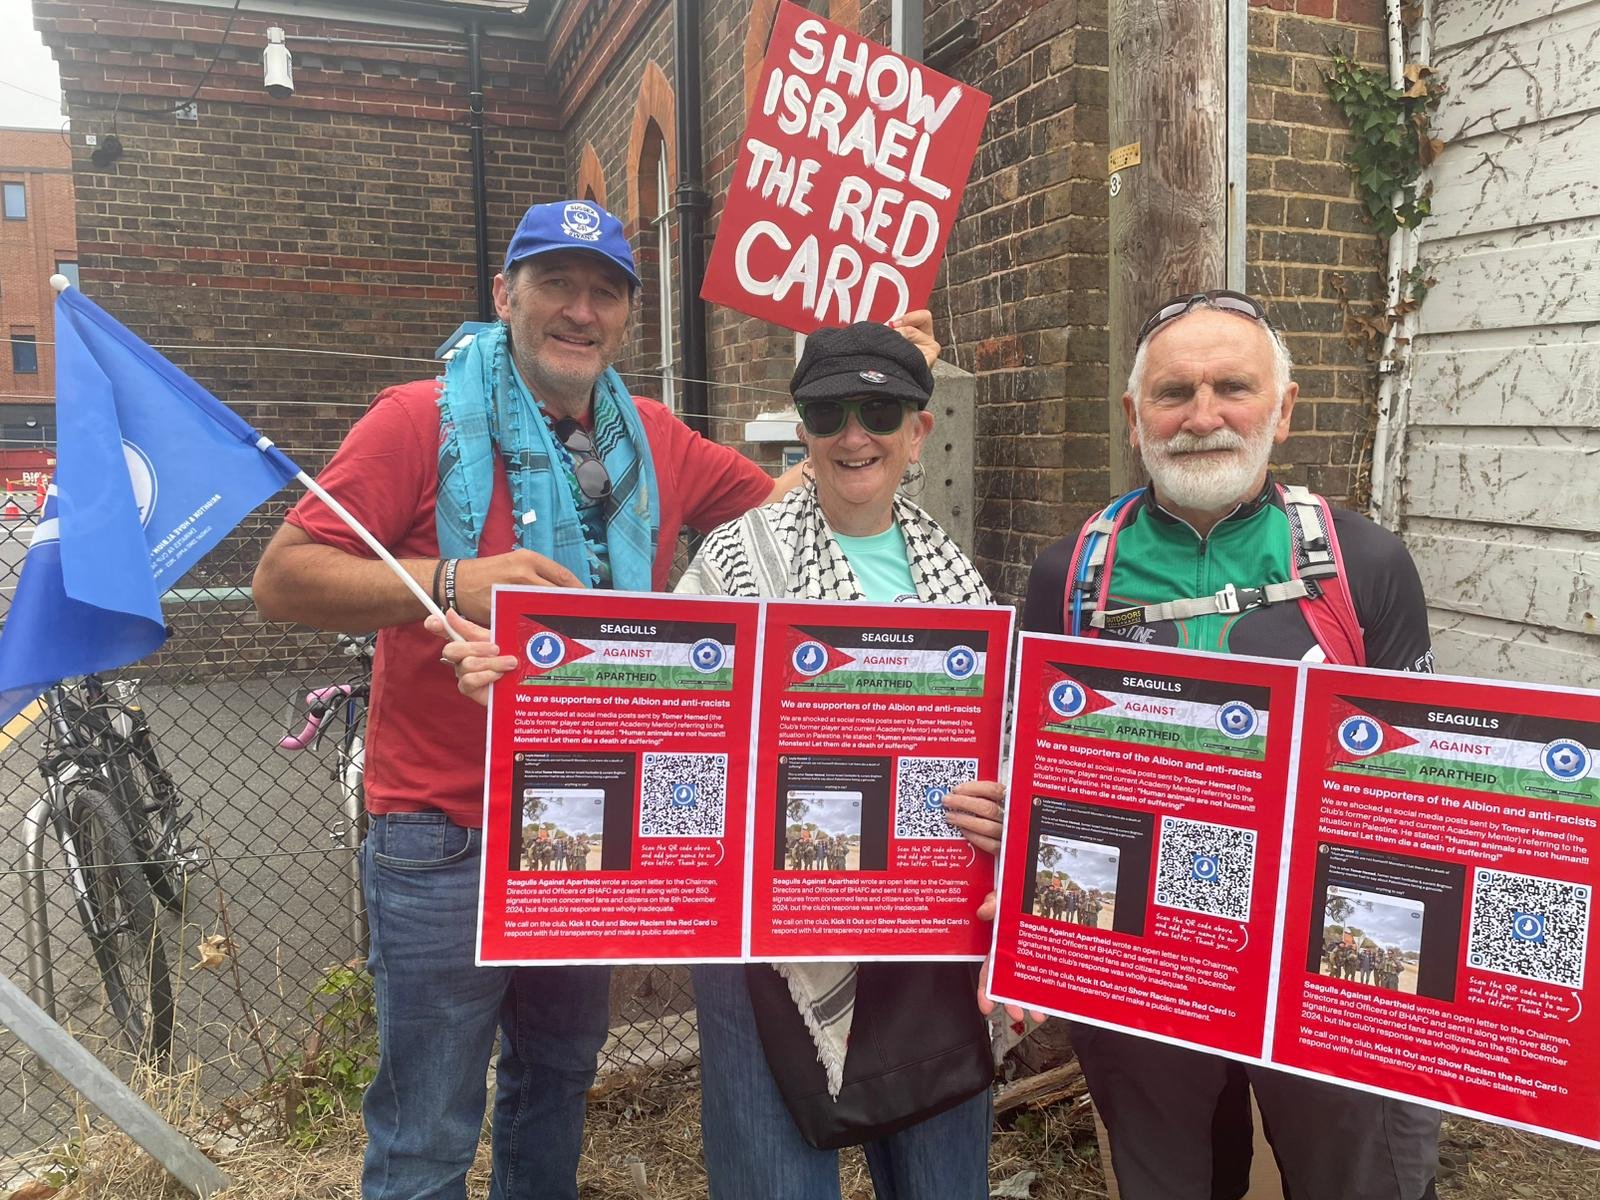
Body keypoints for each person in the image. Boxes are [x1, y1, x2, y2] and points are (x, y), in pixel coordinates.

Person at [251, 196, 938, 1200]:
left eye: (605, 292)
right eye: (556, 285)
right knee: (429, 1128)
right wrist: (455, 580)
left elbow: (796, 503)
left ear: (626, 315)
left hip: (585, 827)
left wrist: (873, 395)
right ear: (506, 296)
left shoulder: (650, 436)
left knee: (557, 1081)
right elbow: (281, 576)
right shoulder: (420, 420)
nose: (581, 310)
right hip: (445, 831)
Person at [439, 322, 1006, 1199]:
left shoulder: (959, 579)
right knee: (775, 1179)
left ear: (918, 429)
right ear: (802, 431)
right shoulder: (738, 559)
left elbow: (1003, 747)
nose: (855, 435)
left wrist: (1003, 808)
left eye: (880, 410)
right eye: (828, 413)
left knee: (941, 1178)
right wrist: (518, 694)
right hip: (764, 938)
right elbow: (661, 711)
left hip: (924, 920)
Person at [1020, 290, 1441, 1200]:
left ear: (1282, 412)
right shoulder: (1069, 576)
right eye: (1174, 393)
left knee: (1354, 1184)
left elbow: (1419, 788)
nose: (1202, 416)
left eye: (1232, 388)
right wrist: (1006, 810)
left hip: (1324, 958)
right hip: (1141, 958)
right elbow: (1034, 766)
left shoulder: (1365, 565)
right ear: (1135, 420)